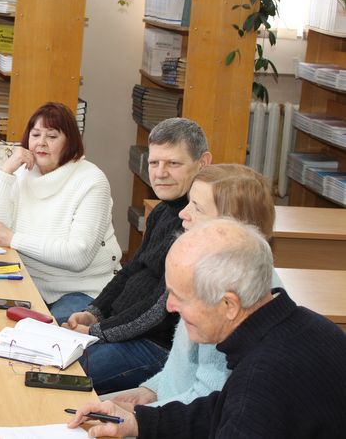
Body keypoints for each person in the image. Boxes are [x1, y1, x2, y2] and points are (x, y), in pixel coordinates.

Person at [68, 218, 346, 438]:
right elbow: (220, 409)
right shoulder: (309, 326)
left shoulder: (260, 380)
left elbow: (241, 409)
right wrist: (138, 422)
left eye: (181, 297)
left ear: (229, 304)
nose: (170, 307)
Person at [63, 117, 212, 394]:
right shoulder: (161, 211)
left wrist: (97, 332)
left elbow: (159, 310)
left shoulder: (196, 224)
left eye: (173, 163)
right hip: (122, 327)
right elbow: (131, 270)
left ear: (202, 163)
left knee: (65, 369)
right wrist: (94, 314)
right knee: (50, 334)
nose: (160, 173)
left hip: (155, 346)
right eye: (154, 163)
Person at [113, 164, 280, 407]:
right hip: (169, 404)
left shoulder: (233, 292)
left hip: (184, 415)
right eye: (188, 202)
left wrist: (142, 416)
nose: (183, 213)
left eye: (197, 208)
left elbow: (206, 401)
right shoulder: (210, 267)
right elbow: (183, 363)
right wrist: (151, 389)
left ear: (230, 225)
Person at [0, 102, 123, 324]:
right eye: (35, 135)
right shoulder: (24, 172)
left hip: (82, 289)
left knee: (43, 335)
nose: (41, 143)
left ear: (69, 142)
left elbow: (78, 256)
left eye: (52, 136)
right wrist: (6, 171)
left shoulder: (92, 180)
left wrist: (13, 239)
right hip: (30, 281)